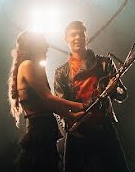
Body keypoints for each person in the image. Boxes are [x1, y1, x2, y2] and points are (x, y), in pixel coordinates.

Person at [53, 20, 130, 172]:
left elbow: (122, 95)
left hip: (104, 127)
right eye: (73, 35)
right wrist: (70, 125)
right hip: (78, 130)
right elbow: (60, 106)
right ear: (66, 39)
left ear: (86, 37)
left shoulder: (105, 63)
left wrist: (114, 88)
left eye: (80, 34)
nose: (77, 38)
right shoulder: (61, 72)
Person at [9, 31, 85, 172]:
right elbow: (48, 97)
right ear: (34, 46)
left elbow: (48, 104)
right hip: (40, 130)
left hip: (44, 128)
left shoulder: (34, 66)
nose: (47, 47)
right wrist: (81, 106)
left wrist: (70, 116)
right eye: (44, 44)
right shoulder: (27, 65)